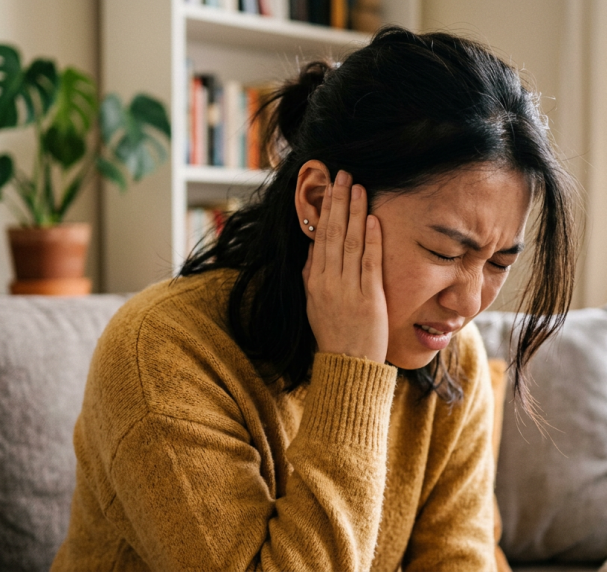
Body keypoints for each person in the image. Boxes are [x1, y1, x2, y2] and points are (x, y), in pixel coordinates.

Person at [52, 26, 577, 572]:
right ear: (322, 202)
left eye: (498, 264)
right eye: (444, 252)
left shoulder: (453, 358)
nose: (469, 302)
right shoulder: (159, 355)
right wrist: (351, 370)